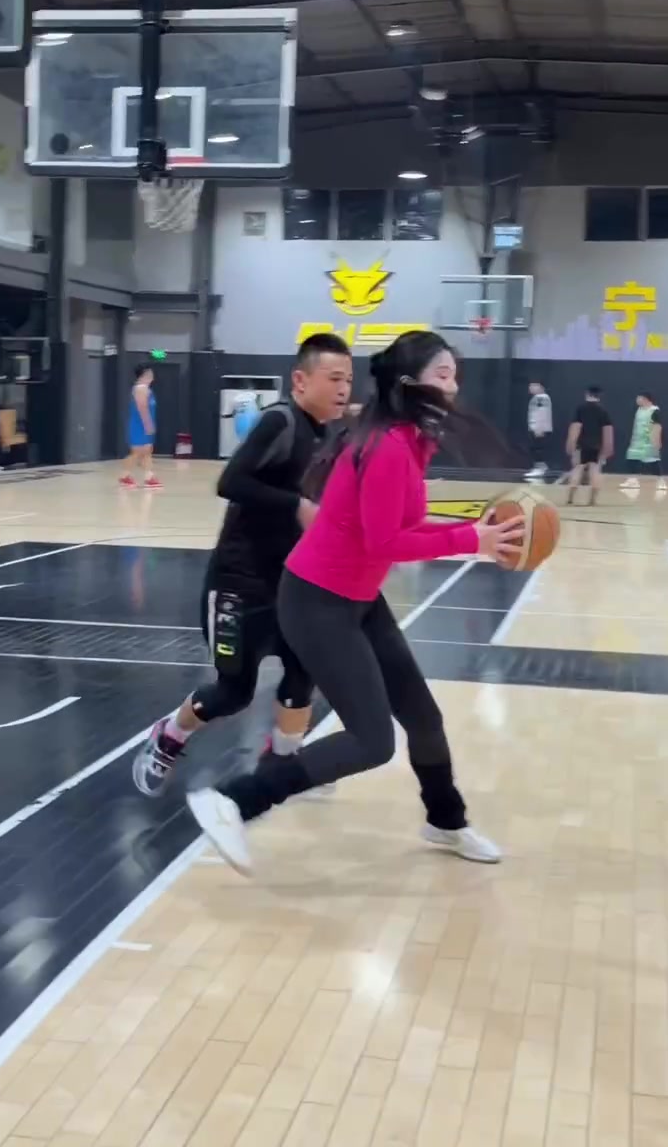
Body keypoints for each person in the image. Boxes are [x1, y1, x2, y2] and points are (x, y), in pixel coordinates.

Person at [185, 330, 524, 876]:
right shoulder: (388, 447)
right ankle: (234, 800)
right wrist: (470, 541)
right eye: (443, 374)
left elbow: (402, 524)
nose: (453, 386)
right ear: (410, 384)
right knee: (372, 741)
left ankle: (446, 820)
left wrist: (471, 530)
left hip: (357, 598)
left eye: (454, 375)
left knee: (423, 717)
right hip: (317, 601)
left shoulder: (410, 439)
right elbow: (385, 542)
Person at [133, 333, 354, 797]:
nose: (343, 389)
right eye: (334, 378)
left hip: (292, 583)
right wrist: (295, 505)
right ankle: (168, 736)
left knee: (304, 674)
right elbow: (230, 483)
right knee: (233, 692)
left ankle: (284, 762)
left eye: (349, 380)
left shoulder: (327, 436)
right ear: (300, 380)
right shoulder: (280, 423)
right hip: (240, 581)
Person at [565, 386, 614, 507]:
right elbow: (607, 431)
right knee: (595, 471)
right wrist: (608, 448)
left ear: (587, 394)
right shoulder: (603, 411)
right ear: (599, 396)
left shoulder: (581, 409)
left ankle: (570, 498)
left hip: (582, 445)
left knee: (578, 469)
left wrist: (571, 443)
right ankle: (592, 500)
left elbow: (576, 427)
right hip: (596, 446)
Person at [119, 364, 162, 489]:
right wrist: (147, 424)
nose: (152, 376)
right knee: (137, 453)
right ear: (143, 375)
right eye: (150, 373)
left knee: (147, 451)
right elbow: (142, 408)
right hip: (139, 426)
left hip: (144, 424)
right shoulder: (140, 389)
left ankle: (149, 477)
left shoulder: (147, 389)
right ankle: (125, 476)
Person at [622, 393, 665, 493]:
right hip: (637, 441)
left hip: (648, 441)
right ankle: (632, 481)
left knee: (653, 462)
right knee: (632, 459)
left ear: (646, 399)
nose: (637, 400)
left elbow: (657, 426)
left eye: (639, 398)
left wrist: (657, 441)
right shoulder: (639, 410)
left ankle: (660, 481)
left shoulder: (654, 411)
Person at [525, 380, 553, 480]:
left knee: (538, 449)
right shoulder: (538, 398)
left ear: (541, 387)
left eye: (533, 386)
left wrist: (539, 428)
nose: (530, 388)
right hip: (536, 428)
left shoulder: (541, 398)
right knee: (535, 448)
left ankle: (540, 468)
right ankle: (540, 466)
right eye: (530, 386)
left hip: (539, 428)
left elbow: (542, 412)